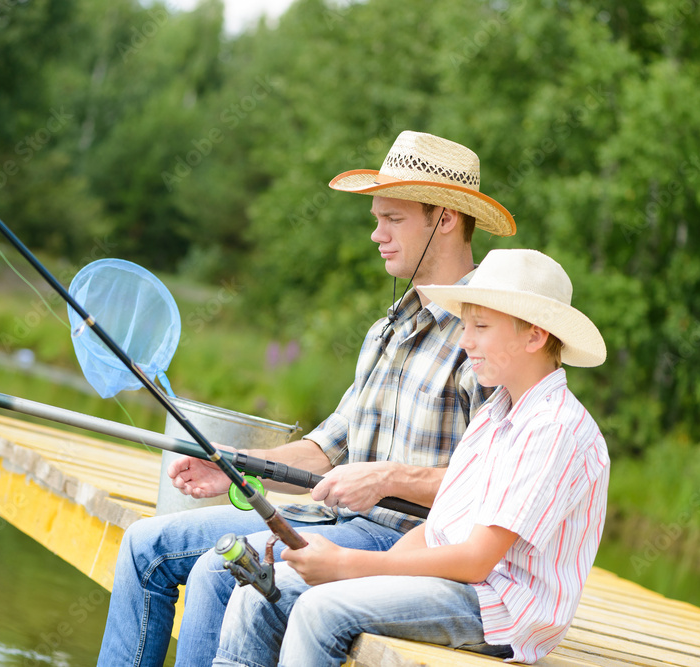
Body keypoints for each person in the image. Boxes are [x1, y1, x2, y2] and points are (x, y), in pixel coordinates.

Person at [97, 131, 516, 666]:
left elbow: (491, 489)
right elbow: (326, 450)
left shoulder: (484, 339)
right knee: (142, 547)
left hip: (408, 547)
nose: (376, 234)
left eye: (393, 219)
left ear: (445, 219)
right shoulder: (385, 330)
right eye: (376, 218)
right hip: (333, 519)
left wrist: (387, 478)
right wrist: (236, 469)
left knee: (217, 571)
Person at [213, 248, 610, 667]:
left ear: (535, 336)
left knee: (319, 611)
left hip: (496, 607)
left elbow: (476, 560)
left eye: (481, 326)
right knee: (261, 591)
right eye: (464, 325)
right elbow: (437, 530)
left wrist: (347, 564)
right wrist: (348, 563)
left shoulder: (553, 426)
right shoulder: (497, 413)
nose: (464, 340)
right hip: (453, 581)